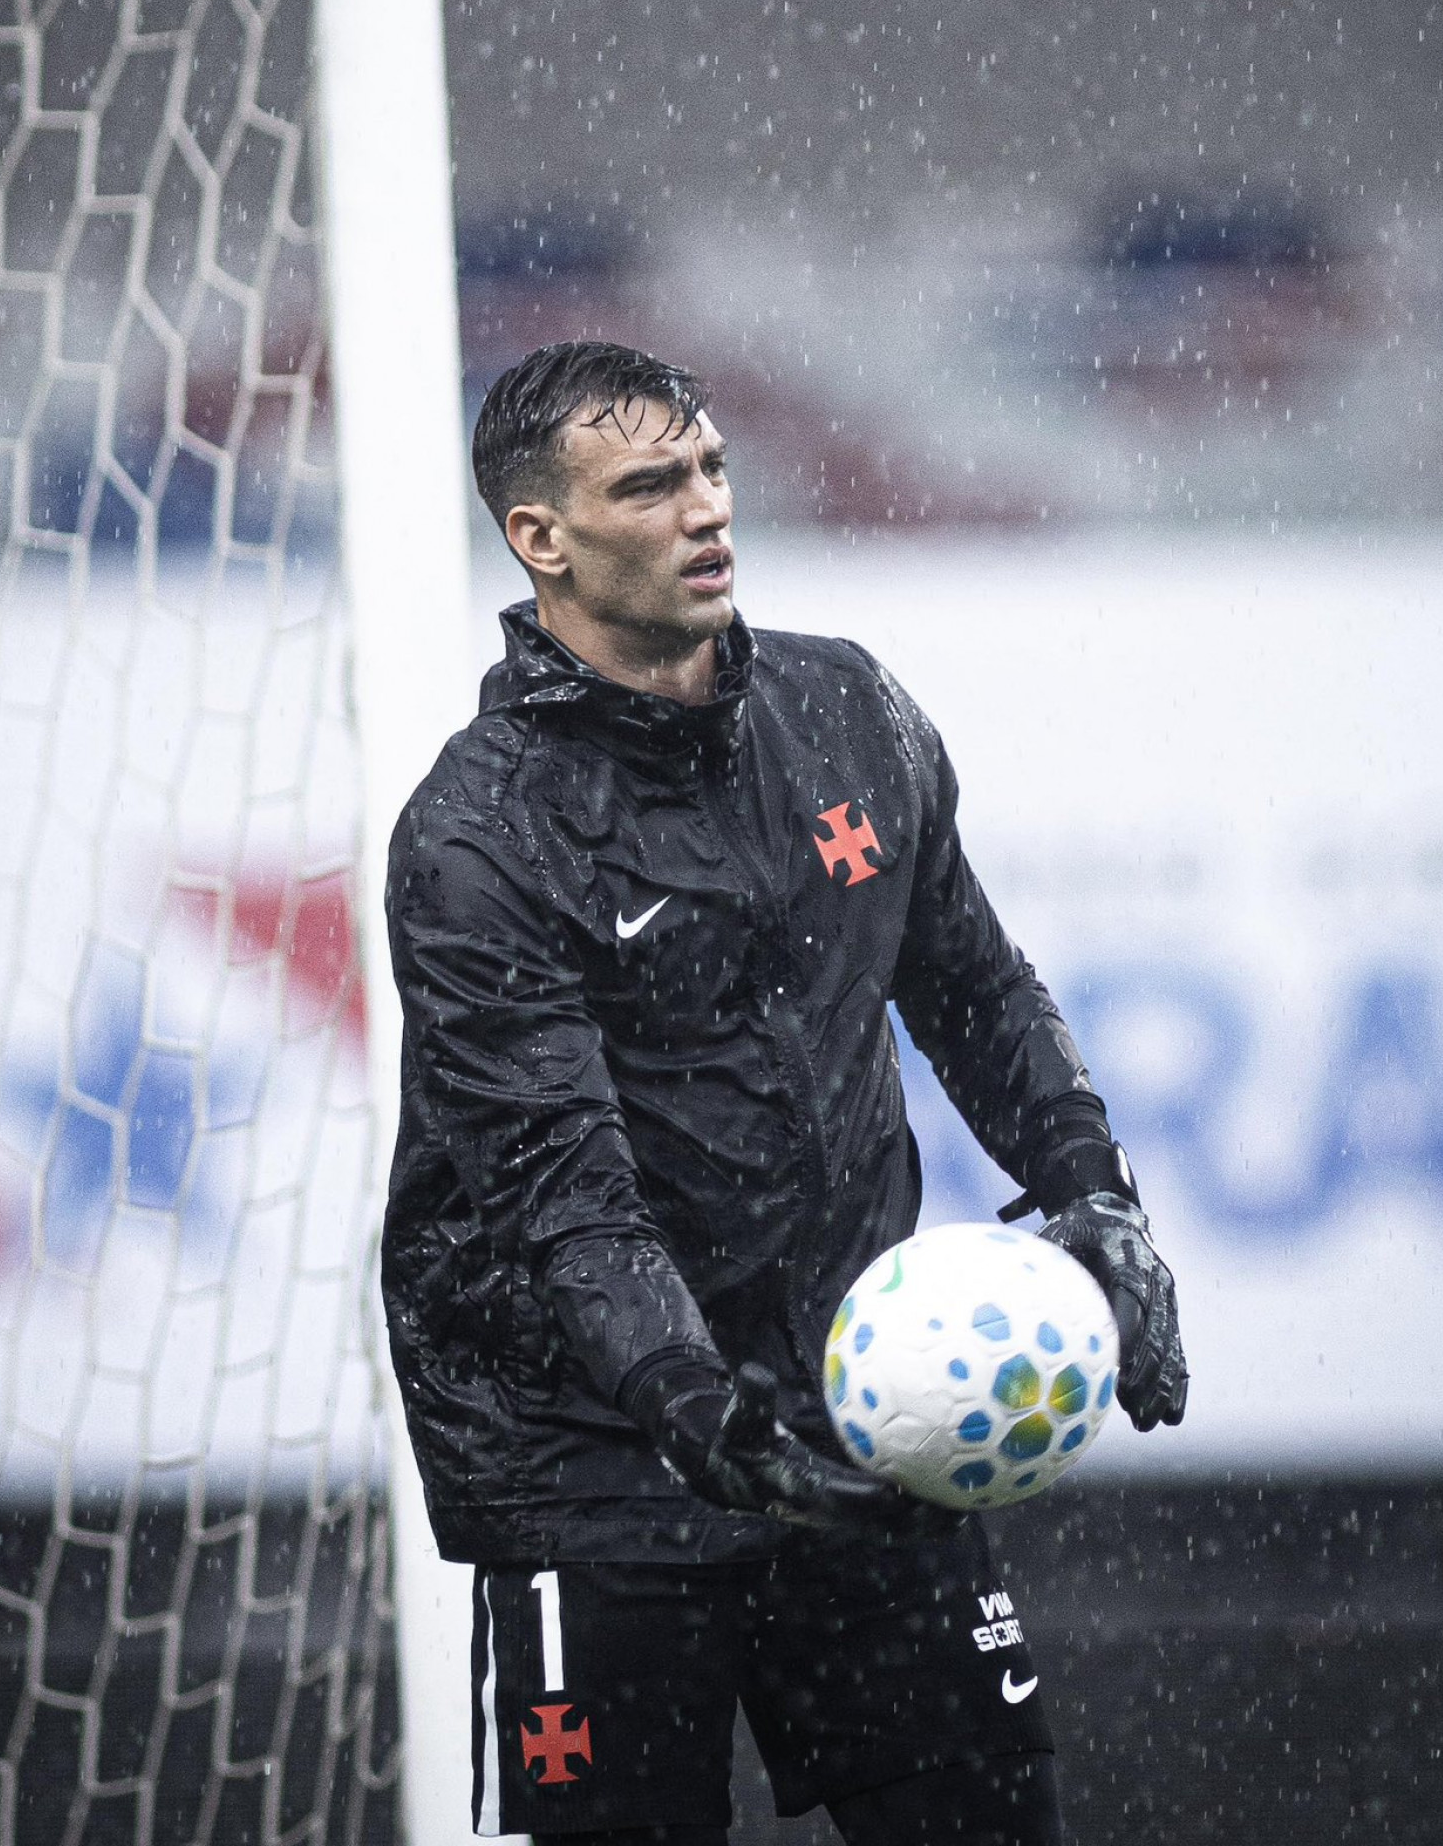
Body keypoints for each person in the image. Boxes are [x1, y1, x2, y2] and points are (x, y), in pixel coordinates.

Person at [382, 341, 1188, 1846]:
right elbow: (564, 1193)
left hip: (864, 1413)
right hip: (596, 1455)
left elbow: (977, 989)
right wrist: (693, 1404)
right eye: (648, 484)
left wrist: (1096, 1193)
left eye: (709, 468)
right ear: (539, 537)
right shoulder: (477, 836)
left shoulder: (848, 709)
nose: (706, 509)